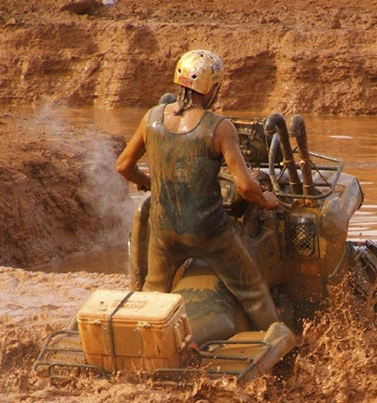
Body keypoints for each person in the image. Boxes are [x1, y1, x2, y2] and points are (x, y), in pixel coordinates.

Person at [115, 49, 280, 331]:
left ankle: (140, 343)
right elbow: (244, 186)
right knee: (253, 290)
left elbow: (123, 166)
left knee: (152, 292)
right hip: (210, 233)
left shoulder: (151, 119)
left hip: (164, 231)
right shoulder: (220, 128)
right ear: (212, 88)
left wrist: (150, 183)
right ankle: (281, 350)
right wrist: (266, 200)